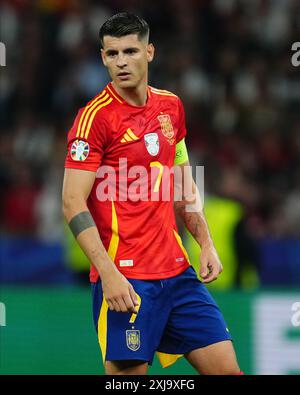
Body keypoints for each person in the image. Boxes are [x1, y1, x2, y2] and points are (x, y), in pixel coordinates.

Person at [62, 12, 242, 375]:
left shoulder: (170, 107)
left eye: (130, 51)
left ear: (150, 52)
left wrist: (204, 241)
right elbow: (71, 201)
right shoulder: (94, 119)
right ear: (102, 58)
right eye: (112, 54)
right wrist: (107, 273)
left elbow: (182, 181)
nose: (121, 62)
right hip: (127, 279)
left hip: (178, 272)